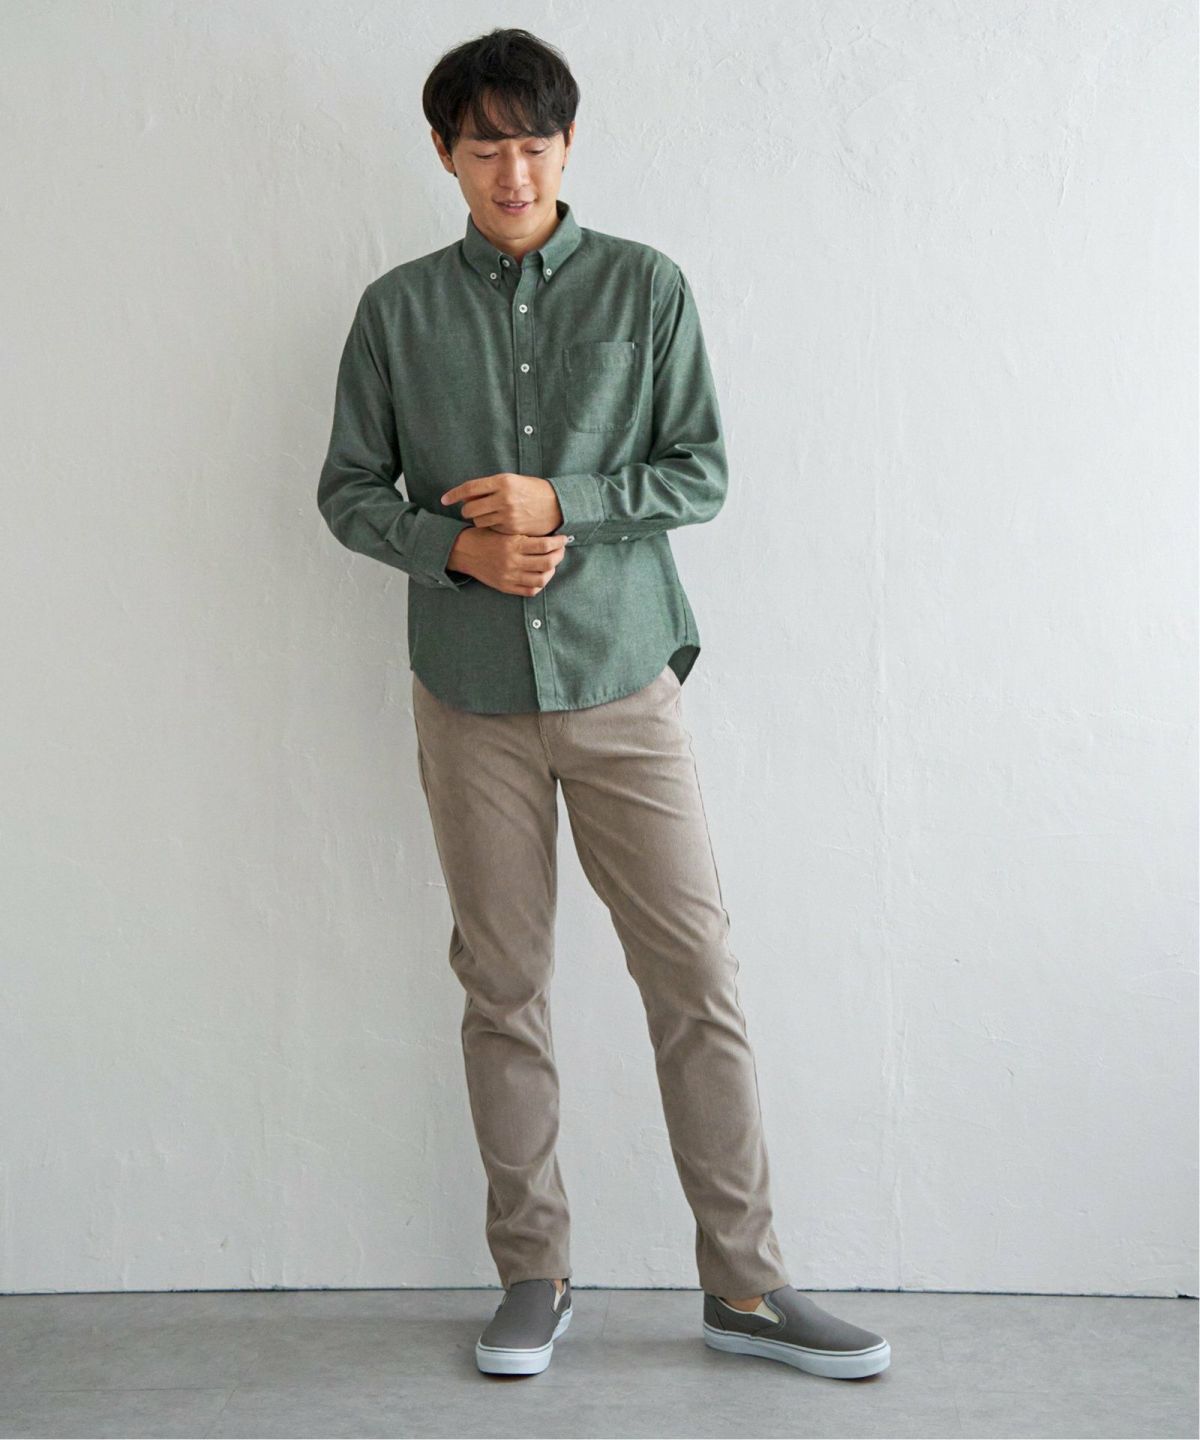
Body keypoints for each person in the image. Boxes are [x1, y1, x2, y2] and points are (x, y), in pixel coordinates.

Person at [316, 25, 890, 1382]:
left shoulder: (647, 289)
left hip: (624, 680)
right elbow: (346, 490)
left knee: (696, 975)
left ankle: (745, 1286)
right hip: (470, 698)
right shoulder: (397, 313)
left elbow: (699, 472)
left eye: (533, 144)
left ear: (568, 146)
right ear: (445, 155)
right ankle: (534, 1274)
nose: (512, 172)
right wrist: (454, 548)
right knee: (502, 987)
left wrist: (559, 502)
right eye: (484, 148)